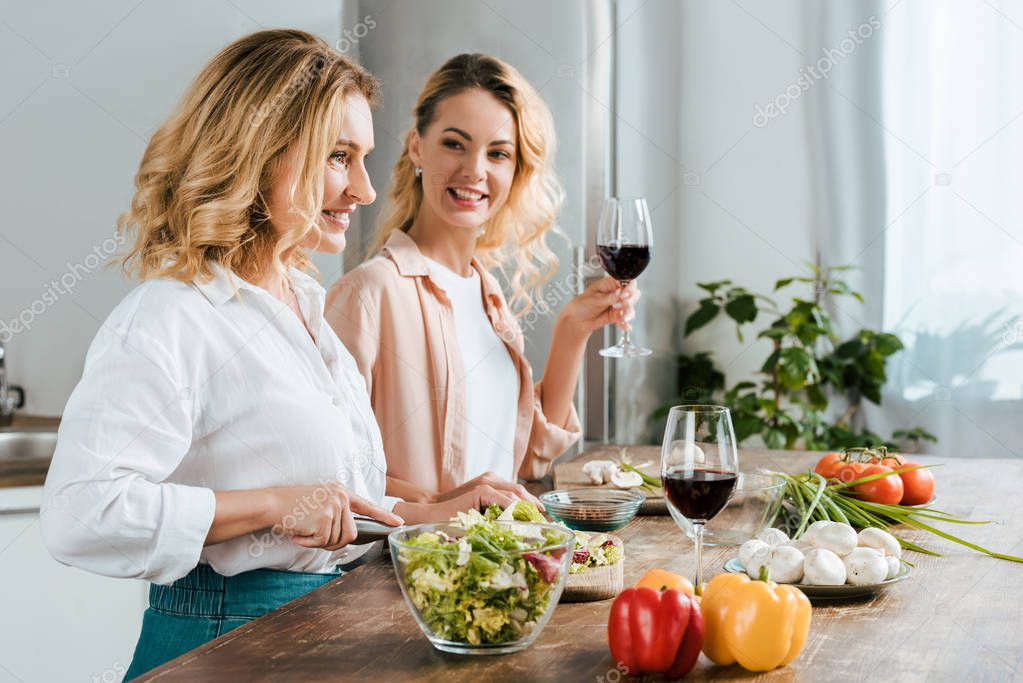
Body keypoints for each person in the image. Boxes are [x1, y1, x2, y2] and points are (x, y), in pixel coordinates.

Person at [39, 31, 523, 679]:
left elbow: (319, 499)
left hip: (316, 627)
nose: (362, 189)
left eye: (363, 159)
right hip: (221, 639)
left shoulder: (300, 302)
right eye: (338, 157)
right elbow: (79, 513)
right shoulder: (176, 313)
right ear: (259, 151)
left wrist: (430, 510)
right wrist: (269, 503)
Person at [324, 53, 639, 503]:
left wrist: (573, 331)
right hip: (401, 569)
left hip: (489, 565)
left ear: (515, 171)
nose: (475, 170)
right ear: (417, 146)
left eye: (498, 153)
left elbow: (529, 462)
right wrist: (441, 507)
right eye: (455, 143)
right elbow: (332, 478)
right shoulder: (368, 293)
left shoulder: (488, 298)